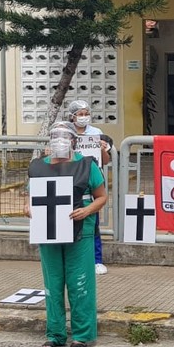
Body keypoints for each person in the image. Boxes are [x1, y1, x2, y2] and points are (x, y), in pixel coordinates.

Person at [26, 125, 107, 347]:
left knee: (80, 282)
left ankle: (82, 335)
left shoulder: (86, 164)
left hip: (80, 229)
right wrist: (28, 207)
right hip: (48, 229)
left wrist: (87, 210)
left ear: (74, 141)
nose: (59, 141)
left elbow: (101, 196)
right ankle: (55, 333)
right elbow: (31, 196)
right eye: (55, 137)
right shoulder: (38, 166)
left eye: (65, 137)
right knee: (52, 283)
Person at [66, 99, 112, 275]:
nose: (84, 117)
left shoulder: (95, 132)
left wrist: (102, 149)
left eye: (86, 114)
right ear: (72, 116)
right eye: (80, 114)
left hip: (91, 181)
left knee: (92, 222)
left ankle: (97, 259)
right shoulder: (66, 132)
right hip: (70, 179)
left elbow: (106, 160)